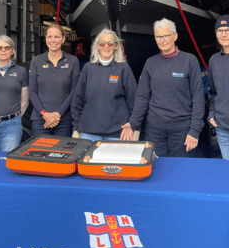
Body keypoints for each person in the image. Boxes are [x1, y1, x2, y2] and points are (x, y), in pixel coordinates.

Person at [121, 18, 205, 157]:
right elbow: (142, 97)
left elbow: (198, 97)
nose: (162, 40)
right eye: (158, 36)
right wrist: (133, 123)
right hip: (155, 129)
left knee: (180, 169)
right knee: (156, 167)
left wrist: (194, 130)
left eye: (166, 35)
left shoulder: (189, 61)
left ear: (175, 36)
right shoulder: (150, 63)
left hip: (182, 129)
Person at [71, 28, 137, 141]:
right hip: (88, 133)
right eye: (102, 43)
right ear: (97, 46)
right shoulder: (88, 68)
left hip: (118, 133)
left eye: (110, 44)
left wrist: (134, 127)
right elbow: (78, 100)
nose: (106, 46)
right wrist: (76, 128)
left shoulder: (123, 68)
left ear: (116, 46)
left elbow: (134, 101)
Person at [28, 23, 80, 136]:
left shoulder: (73, 61)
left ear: (63, 39)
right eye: (50, 36)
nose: (53, 40)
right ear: (45, 39)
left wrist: (58, 114)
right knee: (39, 153)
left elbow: (74, 91)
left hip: (64, 121)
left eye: (57, 37)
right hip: (40, 120)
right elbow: (32, 92)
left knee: (62, 153)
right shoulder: (36, 61)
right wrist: (44, 114)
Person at [208, 15, 229, 160]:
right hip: (222, 128)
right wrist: (211, 113)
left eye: (227, 30)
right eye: (220, 30)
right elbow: (213, 92)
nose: (224, 34)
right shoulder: (214, 60)